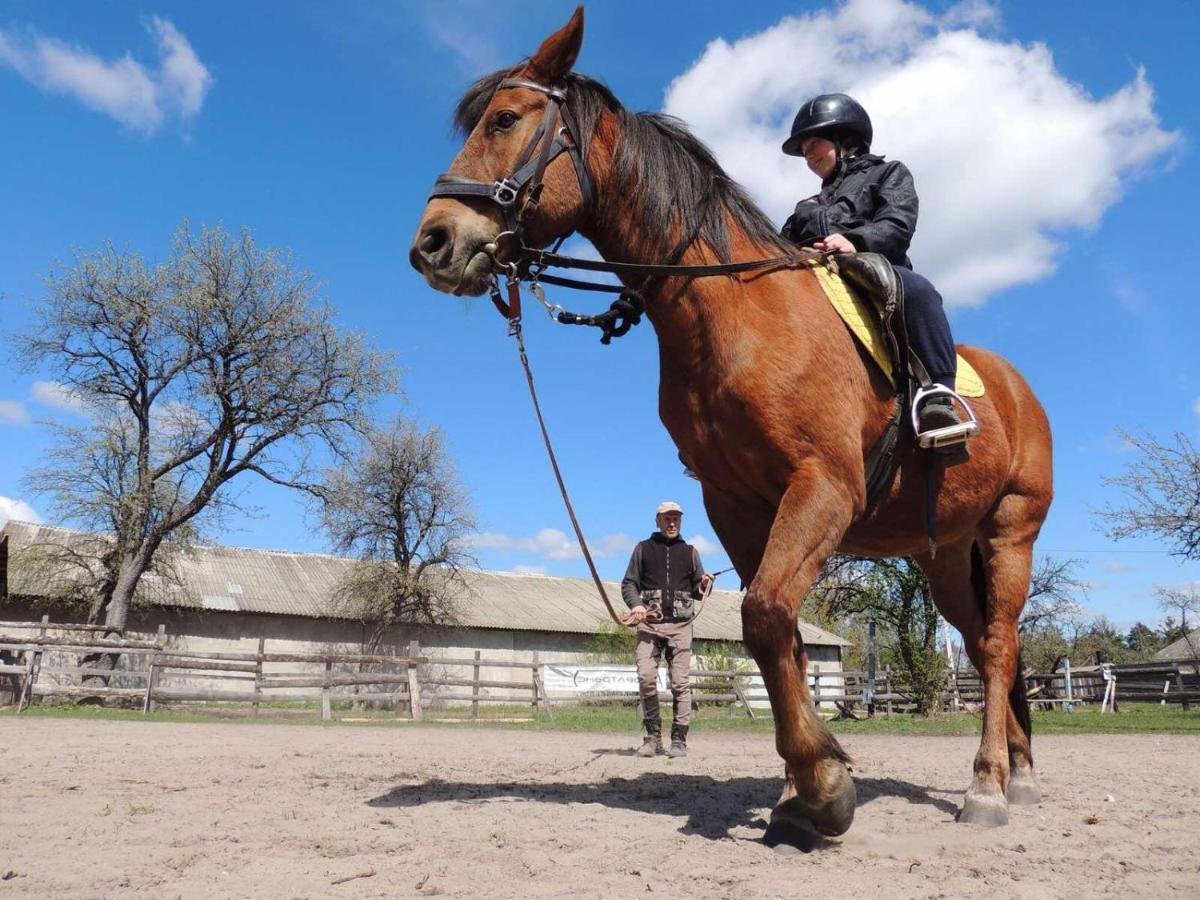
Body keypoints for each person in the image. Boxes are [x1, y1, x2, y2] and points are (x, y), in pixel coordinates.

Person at [780, 93, 971, 462]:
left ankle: (938, 398)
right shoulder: (805, 207)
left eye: (814, 144)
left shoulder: (890, 173)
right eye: (803, 151)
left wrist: (853, 240)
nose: (808, 156)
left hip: (872, 267)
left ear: (845, 140)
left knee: (920, 292)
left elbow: (898, 224)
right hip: (814, 274)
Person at [621, 500, 712, 758]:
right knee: (646, 678)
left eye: (676, 519)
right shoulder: (643, 549)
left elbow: (697, 591)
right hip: (649, 625)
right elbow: (628, 584)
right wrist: (637, 605)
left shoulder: (691, 552)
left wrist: (704, 584)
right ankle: (652, 738)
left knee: (680, 684)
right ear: (657, 521)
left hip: (681, 626)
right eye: (667, 519)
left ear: (680, 521)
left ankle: (679, 740)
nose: (672, 523)